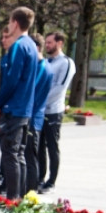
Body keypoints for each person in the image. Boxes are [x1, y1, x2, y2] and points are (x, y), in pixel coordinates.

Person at [0, 7, 42, 199]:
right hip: (24, 108)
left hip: (14, 108)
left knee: (10, 154)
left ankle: (12, 198)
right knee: (19, 154)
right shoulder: (30, 45)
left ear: (15, 23)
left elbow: (11, 80)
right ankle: (20, 197)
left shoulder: (18, 47)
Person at [37, 32, 74, 191]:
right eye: (46, 42)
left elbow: (60, 88)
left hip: (53, 110)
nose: (47, 45)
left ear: (60, 43)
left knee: (52, 146)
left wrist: (41, 101)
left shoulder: (66, 63)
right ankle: (40, 178)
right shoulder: (46, 61)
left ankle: (51, 180)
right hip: (40, 110)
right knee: (39, 146)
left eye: (50, 42)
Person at [23, 50, 53, 192]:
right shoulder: (38, 66)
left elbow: (31, 91)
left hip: (33, 118)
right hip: (31, 116)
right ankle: (26, 187)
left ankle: (31, 190)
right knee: (27, 155)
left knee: (30, 156)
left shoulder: (42, 67)